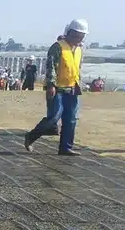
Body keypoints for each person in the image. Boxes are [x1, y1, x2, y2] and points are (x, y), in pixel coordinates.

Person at [24, 19, 88, 156]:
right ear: (70, 33)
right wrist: (51, 85)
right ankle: (31, 137)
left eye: (82, 36)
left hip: (72, 88)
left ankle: (65, 147)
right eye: (78, 35)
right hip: (57, 88)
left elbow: (77, 68)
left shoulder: (79, 50)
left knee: (71, 119)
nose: (80, 39)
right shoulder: (57, 47)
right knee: (54, 117)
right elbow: (51, 67)